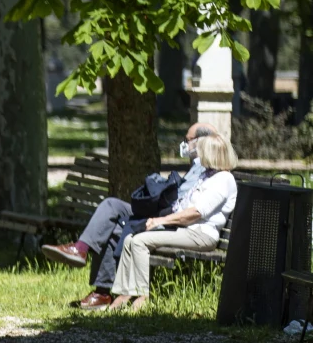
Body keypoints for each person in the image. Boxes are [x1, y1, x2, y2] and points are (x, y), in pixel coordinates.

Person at [41, 122, 220, 309]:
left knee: (115, 222)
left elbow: (187, 204)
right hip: (163, 213)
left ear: (201, 142)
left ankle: (97, 284)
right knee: (112, 208)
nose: (184, 144)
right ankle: (90, 268)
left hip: (171, 220)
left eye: (187, 140)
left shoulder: (205, 168)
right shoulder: (197, 166)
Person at [110, 134, 239, 311]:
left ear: (212, 154)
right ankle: (124, 293)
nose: (198, 154)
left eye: (202, 151)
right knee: (130, 239)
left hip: (201, 235)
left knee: (140, 241)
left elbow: (196, 212)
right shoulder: (207, 175)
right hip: (186, 230)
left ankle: (142, 295)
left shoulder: (223, 180)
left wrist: (159, 221)